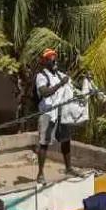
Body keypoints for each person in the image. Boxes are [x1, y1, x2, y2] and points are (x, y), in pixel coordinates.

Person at [34, 48, 79, 185]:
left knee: (66, 140)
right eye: (51, 59)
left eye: (55, 58)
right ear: (45, 61)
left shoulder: (60, 75)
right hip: (47, 114)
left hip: (61, 113)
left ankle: (68, 168)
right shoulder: (41, 76)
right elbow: (44, 92)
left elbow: (71, 88)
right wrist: (60, 84)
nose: (54, 61)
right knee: (44, 144)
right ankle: (40, 174)